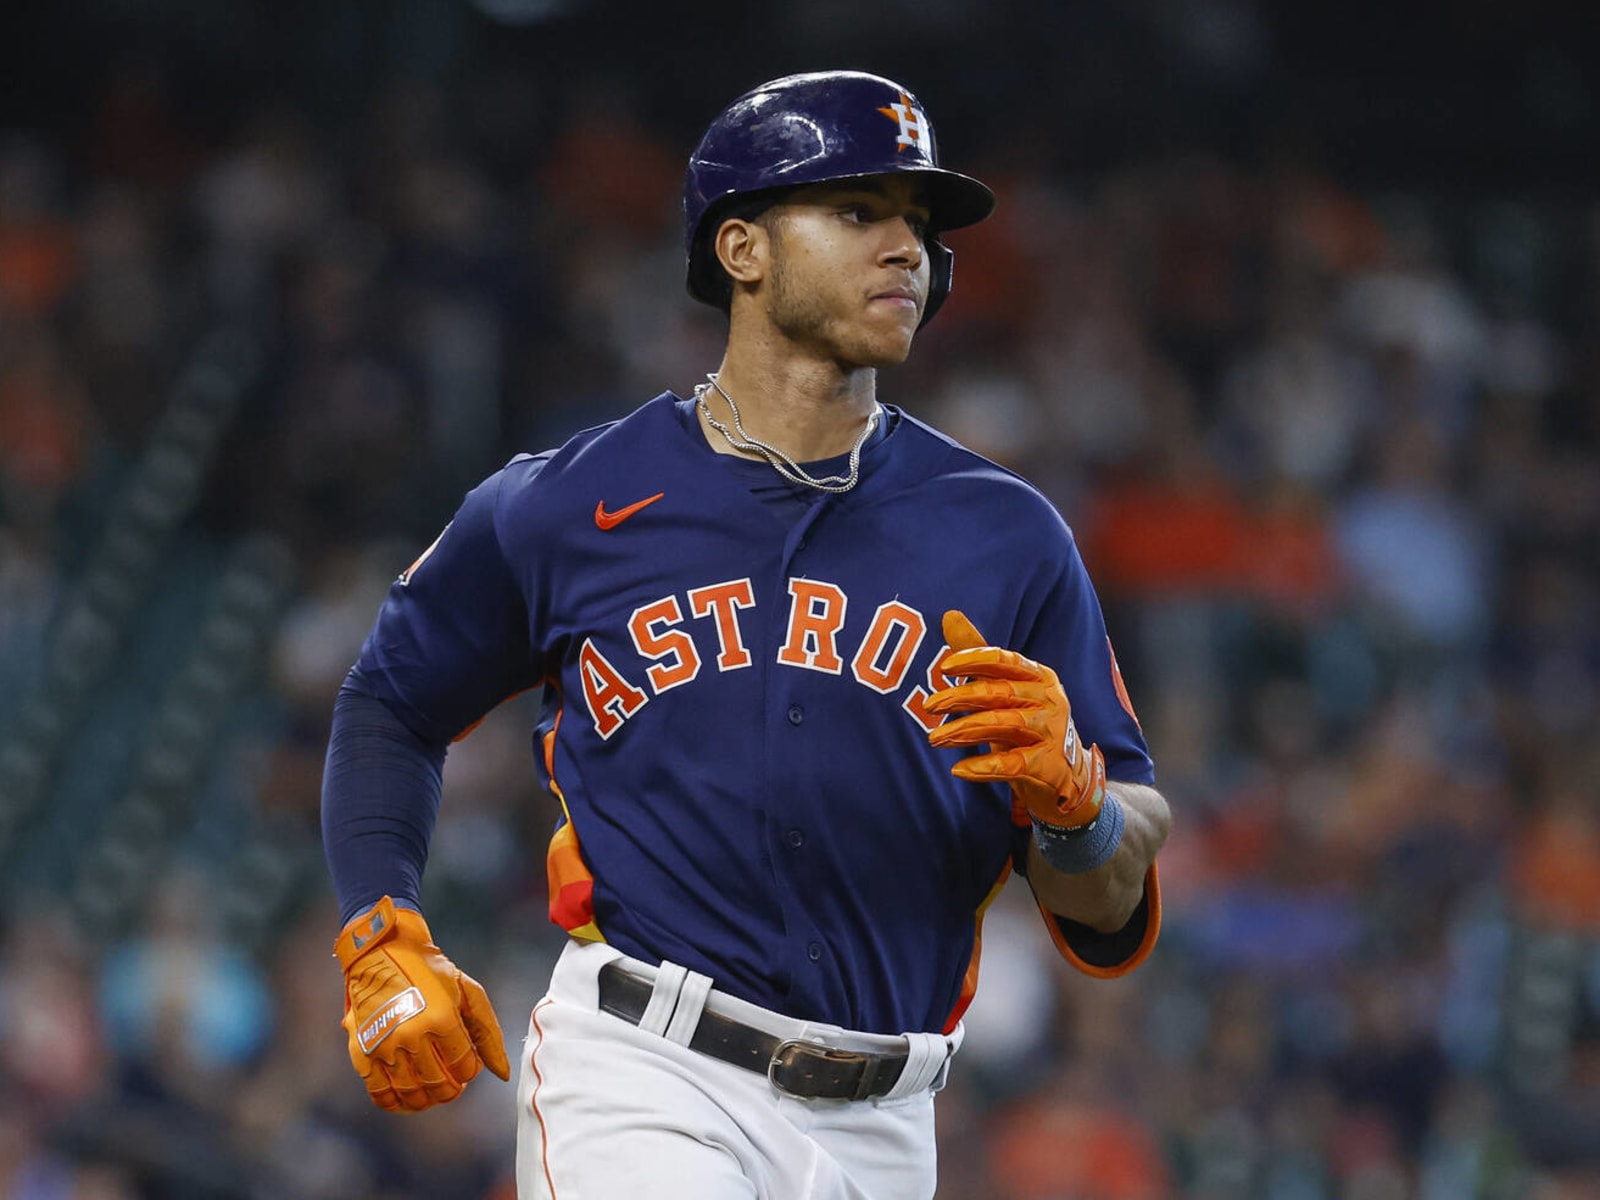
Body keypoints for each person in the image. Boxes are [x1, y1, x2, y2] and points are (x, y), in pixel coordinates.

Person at [321, 69, 1171, 1200]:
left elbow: (1109, 907)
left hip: (888, 1121)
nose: (905, 249)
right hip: (644, 1074)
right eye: (859, 211)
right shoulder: (569, 503)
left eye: (917, 225)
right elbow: (391, 701)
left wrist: (1077, 810)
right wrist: (382, 926)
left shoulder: (1005, 535)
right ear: (742, 251)